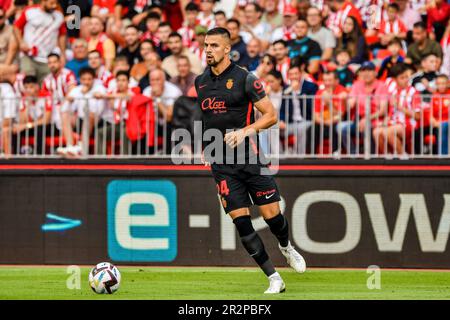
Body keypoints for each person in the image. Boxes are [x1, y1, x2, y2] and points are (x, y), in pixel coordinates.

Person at [195, 27, 306, 294]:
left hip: (251, 159)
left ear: (226, 49)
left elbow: (270, 115)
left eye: (213, 45)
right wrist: (204, 145)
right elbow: (209, 119)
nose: (208, 49)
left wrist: (246, 132)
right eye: (206, 45)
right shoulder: (201, 82)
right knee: (241, 222)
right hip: (221, 165)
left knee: (272, 217)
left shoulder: (246, 78)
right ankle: (274, 278)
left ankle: (286, 246)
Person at [337, 61, 389, 155]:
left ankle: (370, 155)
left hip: (376, 119)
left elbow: (383, 110)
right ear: (360, 73)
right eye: (363, 71)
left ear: (375, 72)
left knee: (366, 126)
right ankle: (353, 154)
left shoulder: (382, 86)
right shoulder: (357, 85)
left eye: (369, 70)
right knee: (341, 127)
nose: (366, 73)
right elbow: (350, 105)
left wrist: (367, 119)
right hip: (359, 120)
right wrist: (344, 100)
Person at [372, 63, 421, 157]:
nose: (406, 80)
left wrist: (399, 107)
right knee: (376, 132)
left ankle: (402, 155)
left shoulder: (413, 92)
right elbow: (390, 111)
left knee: (388, 131)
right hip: (393, 123)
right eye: (402, 78)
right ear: (395, 80)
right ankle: (387, 156)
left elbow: (418, 116)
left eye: (407, 77)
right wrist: (386, 119)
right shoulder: (393, 92)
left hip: (409, 124)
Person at [57, 67, 107, 157]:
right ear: (80, 79)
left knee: (90, 115)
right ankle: (70, 147)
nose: (86, 82)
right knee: (65, 115)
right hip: (80, 121)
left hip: (97, 121)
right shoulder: (76, 90)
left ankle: (82, 148)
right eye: (84, 79)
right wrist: (69, 101)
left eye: (89, 79)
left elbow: (98, 111)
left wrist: (87, 95)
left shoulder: (100, 89)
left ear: (94, 79)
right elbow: (64, 109)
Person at [13, 0, 67, 83]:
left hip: (48, 59)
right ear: (43, 1)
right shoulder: (30, 11)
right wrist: (21, 42)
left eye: (56, 3)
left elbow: (62, 35)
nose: (54, 6)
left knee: (46, 86)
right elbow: (16, 27)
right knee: (29, 84)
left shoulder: (59, 16)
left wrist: (63, 54)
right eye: (51, 3)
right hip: (29, 56)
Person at [2, 75, 52, 156]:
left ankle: (39, 156)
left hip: (48, 127)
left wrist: (26, 125)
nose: (28, 90)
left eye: (31, 87)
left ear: (37, 86)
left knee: (39, 129)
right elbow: (22, 121)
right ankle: (16, 155)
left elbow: (46, 120)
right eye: (26, 87)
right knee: (15, 130)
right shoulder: (24, 99)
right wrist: (28, 105)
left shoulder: (46, 97)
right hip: (31, 125)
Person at [279, 62, 318, 155]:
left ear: (301, 74)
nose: (293, 77)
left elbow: (311, 107)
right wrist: (281, 120)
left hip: (307, 120)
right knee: (273, 129)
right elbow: (283, 109)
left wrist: (298, 93)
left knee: (301, 128)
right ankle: (279, 155)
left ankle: (299, 156)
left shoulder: (311, 86)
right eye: (291, 74)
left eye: (296, 74)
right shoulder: (286, 89)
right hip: (291, 123)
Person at [313, 70, 348, 154]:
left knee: (335, 127)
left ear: (336, 81)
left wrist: (329, 103)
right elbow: (315, 116)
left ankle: (335, 153)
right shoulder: (319, 92)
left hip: (336, 121)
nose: (327, 83)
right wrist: (324, 122)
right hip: (323, 122)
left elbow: (341, 115)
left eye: (330, 80)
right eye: (325, 80)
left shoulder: (342, 92)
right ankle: (310, 155)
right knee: (313, 128)